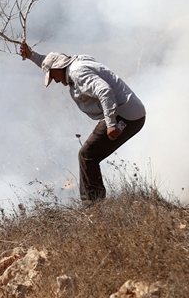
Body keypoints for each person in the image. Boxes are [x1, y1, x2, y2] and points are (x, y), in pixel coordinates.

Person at [20, 41, 146, 201]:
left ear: (59, 68)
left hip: (125, 116)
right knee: (89, 154)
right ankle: (96, 202)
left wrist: (111, 124)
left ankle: (93, 206)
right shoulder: (74, 63)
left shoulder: (78, 73)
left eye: (52, 76)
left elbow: (104, 91)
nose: (55, 81)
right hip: (130, 112)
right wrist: (31, 56)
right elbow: (49, 62)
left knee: (87, 154)